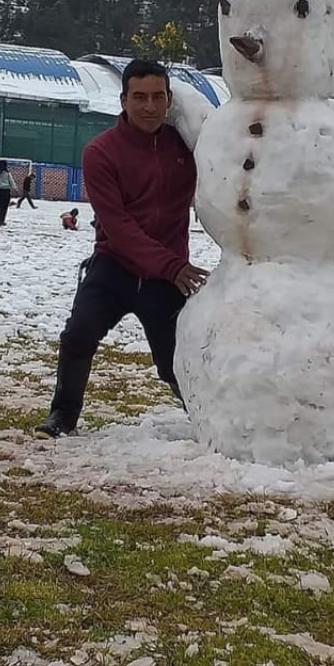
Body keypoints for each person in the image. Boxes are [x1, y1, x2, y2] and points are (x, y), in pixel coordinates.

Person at [36, 60, 205, 438]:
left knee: (173, 361)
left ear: (169, 100)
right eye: (140, 97)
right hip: (115, 266)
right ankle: (62, 415)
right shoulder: (101, 152)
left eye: (158, 97)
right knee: (79, 334)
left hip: (165, 276)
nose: (149, 106)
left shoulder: (188, 148)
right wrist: (172, 266)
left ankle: (209, 421)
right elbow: (118, 226)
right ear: (123, 101)